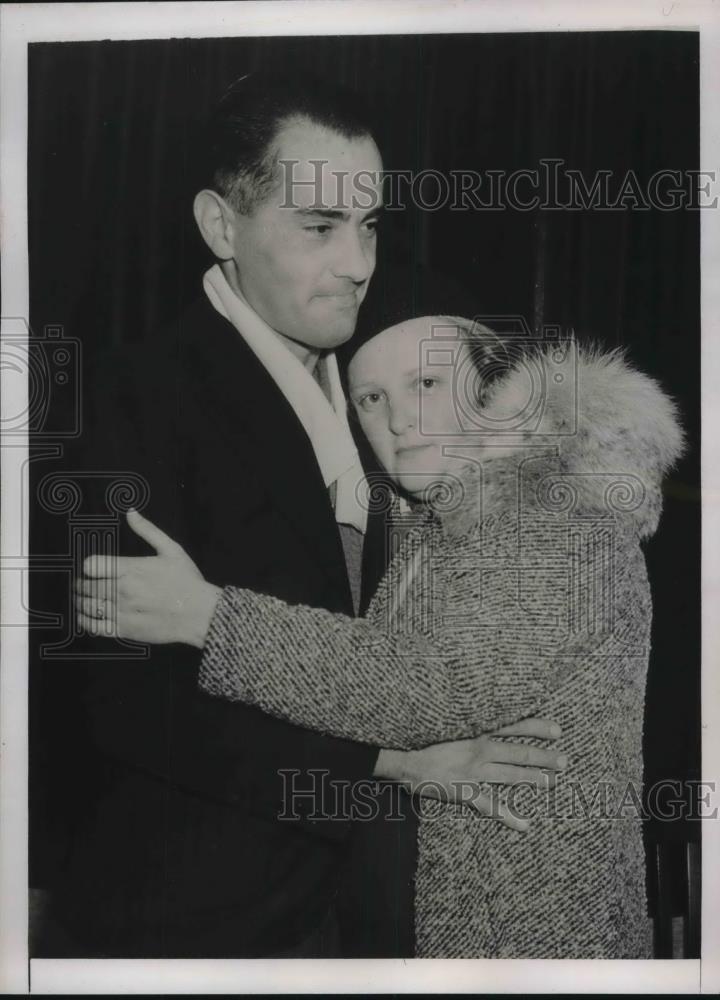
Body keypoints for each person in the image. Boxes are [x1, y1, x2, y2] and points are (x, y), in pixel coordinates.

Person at [48, 74, 564, 958]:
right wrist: (385, 766)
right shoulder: (121, 397)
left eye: (369, 226)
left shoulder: (387, 366)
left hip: (378, 908)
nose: (358, 261)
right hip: (200, 920)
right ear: (221, 226)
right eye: (320, 228)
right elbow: (117, 704)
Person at [78, 315, 684, 957]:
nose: (396, 419)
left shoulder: (559, 519)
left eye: (425, 381)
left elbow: (428, 688)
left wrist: (206, 615)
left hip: (533, 935)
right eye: (371, 398)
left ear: (500, 394)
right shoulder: (434, 532)